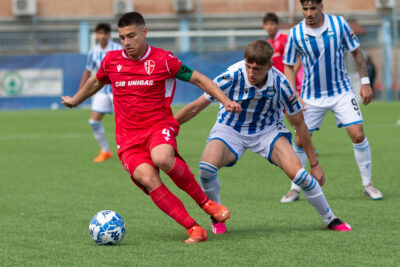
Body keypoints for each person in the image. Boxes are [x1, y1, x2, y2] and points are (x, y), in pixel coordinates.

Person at [62, 12, 242, 243]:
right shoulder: (111, 61)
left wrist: (225, 101)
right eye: (122, 37)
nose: (126, 42)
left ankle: (206, 203)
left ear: (144, 32)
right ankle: (194, 228)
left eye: (131, 36)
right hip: (127, 139)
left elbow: (199, 79)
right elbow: (97, 81)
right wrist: (77, 100)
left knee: (162, 158)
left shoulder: (163, 60)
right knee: (148, 179)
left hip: (158, 127)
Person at [175, 39, 352, 235]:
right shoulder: (232, 75)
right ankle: (216, 215)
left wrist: (315, 163)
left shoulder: (282, 84)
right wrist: (169, 127)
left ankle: (330, 219)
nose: (251, 73)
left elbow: (300, 124)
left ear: (269, 66)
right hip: (230, 128)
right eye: (248, 67)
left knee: (301, 175)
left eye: (257, 69)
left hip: (267, 131)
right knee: (206, 168)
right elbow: (196, 106)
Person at [281, 0, 383, 203]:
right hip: (310, 96)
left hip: (341, 92)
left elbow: (356, 51)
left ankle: (368, 184)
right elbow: (289, 66)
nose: (309, 13)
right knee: (301, 140)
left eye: (313, 8)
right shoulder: (295, 33)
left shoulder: (339, 25)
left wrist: (365, 82)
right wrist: (294, 95)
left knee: (357, 134)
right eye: (305, 9)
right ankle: (294, 188)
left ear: (321, 7)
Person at [78, 23, 122, 162]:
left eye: (105, 33)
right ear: (96, 35)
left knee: (125, 122)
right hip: (101, 91)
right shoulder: (93, 51)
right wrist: (81, 91)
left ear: (109, 35)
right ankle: (105, 151)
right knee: (94, 122)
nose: (102, 36)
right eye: (99, 33)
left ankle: (131, 149)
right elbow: (88, 70)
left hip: (118, 91)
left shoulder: (118, 49)